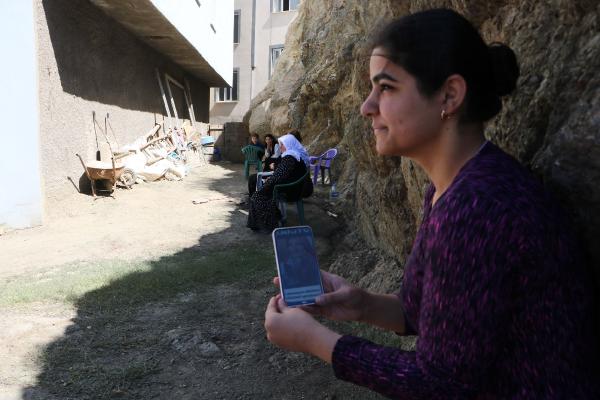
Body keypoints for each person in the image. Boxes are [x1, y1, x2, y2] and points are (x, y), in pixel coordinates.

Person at [264, 8, 599, 399]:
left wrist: (317, 341)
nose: (366, 106)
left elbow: (441, 384)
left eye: (386, 87)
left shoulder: (479, 205)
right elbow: (419, 312)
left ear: (449, 95)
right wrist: (359, 304)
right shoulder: (448, 191)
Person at [247, 134, 312, 232]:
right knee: (261, 191)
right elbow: (281, 174)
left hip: (290, 190)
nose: (280, 147)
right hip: (294, 187)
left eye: (282, 145)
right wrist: (270, 180)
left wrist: (267, 183)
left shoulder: (290, 157)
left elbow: (278, 176)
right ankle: (276, 216)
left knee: (258, 196)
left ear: (288, 145)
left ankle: (268, 225)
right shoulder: (294, 155)